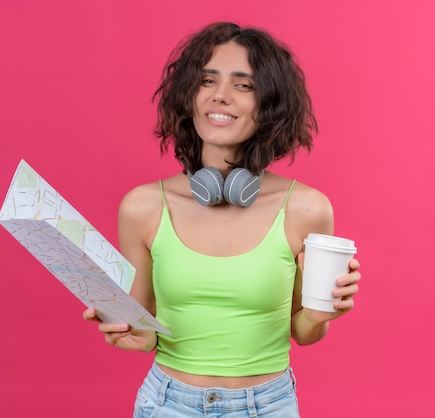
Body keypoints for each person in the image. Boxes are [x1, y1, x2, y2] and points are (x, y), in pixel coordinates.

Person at [84, 21, 361, 417]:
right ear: (189, 97)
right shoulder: (143, 207)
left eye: (243, 85)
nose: (220, 96)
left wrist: (320, 314)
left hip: (268, 405)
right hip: (167, 404)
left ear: (269, 103)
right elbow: (145, 335)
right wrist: (126, 332)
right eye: (207, 81)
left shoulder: (306, 209)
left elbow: (303, 331)